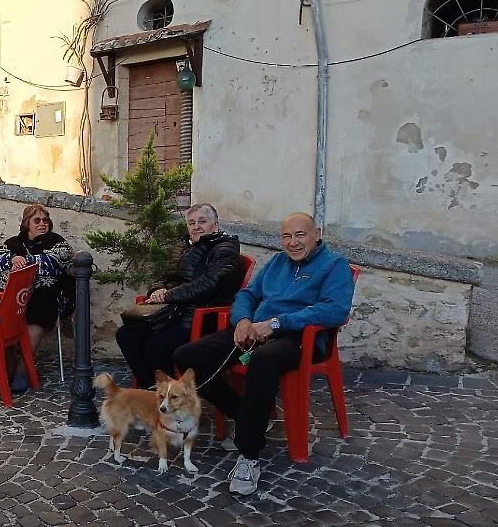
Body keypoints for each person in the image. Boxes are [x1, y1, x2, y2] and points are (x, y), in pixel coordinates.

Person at [173, 212, 356, 495]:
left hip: (298, 337)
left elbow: (335, 309)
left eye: (300, 235)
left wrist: (277, 323)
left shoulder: (335, 265)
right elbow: (247, 295)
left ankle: (249, 454)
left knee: (262, 360)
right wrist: (243, 321)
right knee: (187, 357)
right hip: (255, 329)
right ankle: (246, 416)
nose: (293, 243)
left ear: (316, 234)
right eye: (287, 236)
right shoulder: (277, 263)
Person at [115, 203, 242, 389]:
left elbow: (209, 284)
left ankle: (169, 394)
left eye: (202, 221)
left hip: (204, 316)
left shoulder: (225, 249)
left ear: (215, 225)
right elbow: (165, 277)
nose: (196, 226)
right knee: (126, 334)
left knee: (156, 344)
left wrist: (168, 295)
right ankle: (151, 388)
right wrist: (156, 290)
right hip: (175, 313)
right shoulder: (184, 247)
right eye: (191, 223)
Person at [0, 203, 74, 391]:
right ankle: (8, 368)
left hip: (49, 295)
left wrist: (25, 261)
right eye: (37, 220)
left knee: (41, 301)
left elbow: (57, 261)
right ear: (27, 223)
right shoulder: (14, 243)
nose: (42, 224)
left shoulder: (56, 241)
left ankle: (21, 370)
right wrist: (11, 259)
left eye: (45, 220)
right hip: (18, 297)